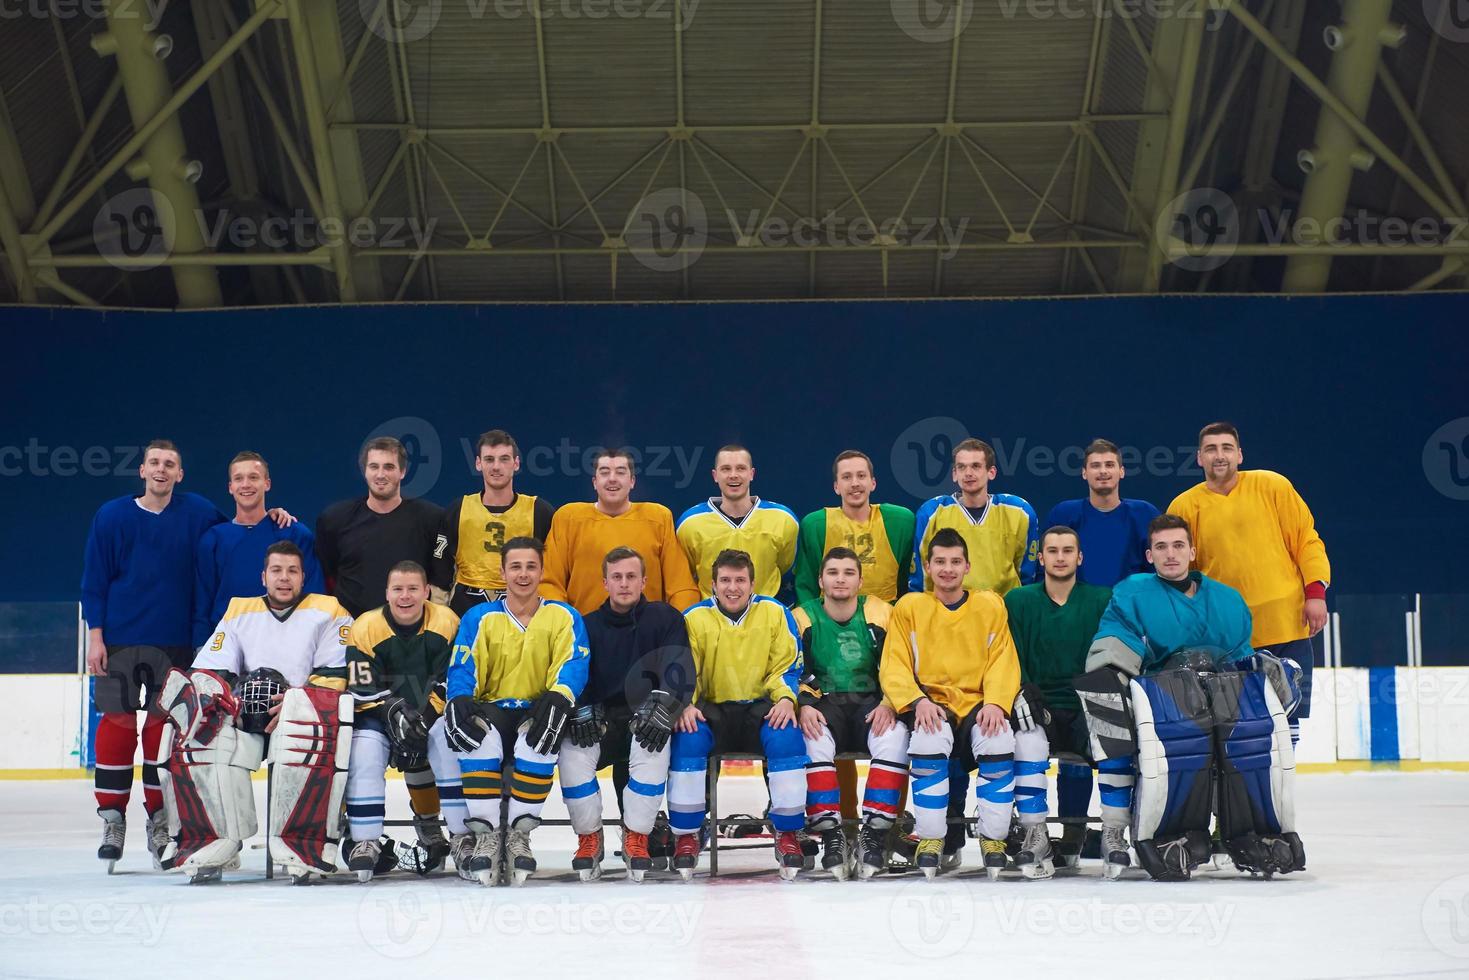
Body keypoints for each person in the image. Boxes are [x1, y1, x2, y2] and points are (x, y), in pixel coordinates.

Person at [1077, 514, 1304, 881]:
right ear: (1149, 555)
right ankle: (1129, 831)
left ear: (1192, 552)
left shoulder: (1226, 599)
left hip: (1223, 693)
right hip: (1161, 697)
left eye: (1178, 545)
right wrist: (1113, 687)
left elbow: (1240, 655)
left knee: (1249, 738)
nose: (1171, 554)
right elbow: (1113, 645)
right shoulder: (1132, 593)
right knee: (1136, 722)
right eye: (1162, 547)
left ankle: (1245, 832)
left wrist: (1266, 669)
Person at [83, 439, 234, 871]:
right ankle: (112, 819)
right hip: (121, 641)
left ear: (180, 474)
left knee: (160, 731)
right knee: (115, 727)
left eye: (170, 464)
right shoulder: (112, 516)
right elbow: (94, 579)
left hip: (176, 643)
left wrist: (277, 522)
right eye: (155, 463)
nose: (162, 470)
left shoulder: (199, 511)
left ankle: (160, 821)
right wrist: (96, 637)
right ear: (143, 470)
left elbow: (237, 531)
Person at [164, 541, 353, 883]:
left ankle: (302, 843)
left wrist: (296, 703)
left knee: (302, 736)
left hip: (300, 713)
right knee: (203, 735)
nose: (284, 578)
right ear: (263, 576)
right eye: (277, 571)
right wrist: (229, 700)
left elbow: (336, 674)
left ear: (303, 577)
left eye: (292, 571)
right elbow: (210, 671)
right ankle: (215, 838)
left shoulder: (329, 610)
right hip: (245, 716)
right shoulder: (240, 611)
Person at [428, 537, 589, 886]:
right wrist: (458, 698)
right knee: (473, 738)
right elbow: (462, 666)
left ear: (542, 571)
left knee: (541, 738)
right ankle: (484, 835)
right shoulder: (478, 617)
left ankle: (518, 837)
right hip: (493, 709)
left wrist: (560, 697)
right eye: (515, 566)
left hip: (538, 707)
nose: (523, 574)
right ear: (502, 572)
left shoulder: (563, 616)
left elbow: (574, 663)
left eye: (531, 566)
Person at [1168, 422, 1330, 744]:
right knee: (1238, 729)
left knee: (1288, 723)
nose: (1220, 456)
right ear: (1199, 458)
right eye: (1211, 449)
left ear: (1239, 454)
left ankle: (1277, 791)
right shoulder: (1183, 507)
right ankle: (1248, 793)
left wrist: (1316, 592)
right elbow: (1183, 574)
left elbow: (1306, 541)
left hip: (1287, 626)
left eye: (1227, 448)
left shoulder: (1273, 486)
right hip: (1228, 638)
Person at [879, 528, 1021, 880]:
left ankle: (993, 838)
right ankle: (930, 838)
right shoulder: (910, 607)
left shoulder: (989, 605)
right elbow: (894, 662)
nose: (947, 569)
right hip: (931, 702)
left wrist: (996, 703)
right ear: (927, 566)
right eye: (940, 562)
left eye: (955, 561)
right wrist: (915, 701)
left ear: (967, 566)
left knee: (998, 739)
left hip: (977, 702)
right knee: (927, 740)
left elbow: (1004, 659)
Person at [666, 549, 808, 880]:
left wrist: (786, 699)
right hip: (711, 710)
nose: (733, 588)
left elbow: (786, 666)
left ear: (753, 584)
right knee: (687, 740)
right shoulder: (694, 618)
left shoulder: (774, 613)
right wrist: (685, 702)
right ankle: (687, 835)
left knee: (786, 737)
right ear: (712, 585)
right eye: (725, 581)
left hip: (760, 708)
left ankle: (787, 833)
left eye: (740, 580)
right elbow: (688, 670)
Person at [556, 547, 694, 881]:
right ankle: (589, 837)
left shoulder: (666, 618)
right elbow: (576, 674)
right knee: (571, 753)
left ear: (644, 580)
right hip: (602, 722)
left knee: (652, 745)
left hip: (647, 722)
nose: (624, 583)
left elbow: (679, 671)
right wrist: (580, 708)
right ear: (604, 582)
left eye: (631, 576)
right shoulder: (585, 625)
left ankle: (637, 836)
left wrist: (665, 707)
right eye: (616, 577)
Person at [1002, 526, 1112, 875]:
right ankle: (1036, 832)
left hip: (1086, 700)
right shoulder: (1019, 600)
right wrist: (1018, 690)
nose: (1060, 557)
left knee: (1116, 740)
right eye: (1053, 550)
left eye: (1068, 550)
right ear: (1041, 557)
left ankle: (1106, 831)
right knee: (1025, 741)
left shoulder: (1101, 599)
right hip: (1040, 703)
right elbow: (1009, 655)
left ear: (1079, 557)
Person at [342, 561, 460, 881]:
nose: (404, 596)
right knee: (364, 752)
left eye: (412, 589)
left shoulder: (447, 621)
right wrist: (392, 710)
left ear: (426, 592)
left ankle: (457, 835)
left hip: (429, 712)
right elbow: (360, 686)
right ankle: (365, 839)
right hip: (378, 715)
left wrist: (424, 718)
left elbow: (453, 679)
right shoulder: (366, 627)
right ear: (387, 593)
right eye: (397, 589)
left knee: (446, 745)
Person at [792, 547, 903, 880]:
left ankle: (875, 833)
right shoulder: (801, 617)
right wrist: (805, 705)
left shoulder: (882, 612)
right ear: (821, 580)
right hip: (826, 703)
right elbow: (790, 667)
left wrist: (890, 701)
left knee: (895, 737)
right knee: (811, 740)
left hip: (872, 701)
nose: (840, 579)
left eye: (848, 573)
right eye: (833, 573)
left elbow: (898, 664)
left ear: (860, 580)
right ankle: (831, 835)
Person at [541, 448, 700, 614]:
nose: (612, 479)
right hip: (585, 633)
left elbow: (681, 588)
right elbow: (549, 583)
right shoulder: (568, 518)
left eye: (620, 472)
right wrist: (567, 626)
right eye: (604, 472)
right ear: (594, 482)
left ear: (632, 481)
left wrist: (673, 627)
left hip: (648, 634)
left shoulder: (658, 518)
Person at [193, 451, 323, 649]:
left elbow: (315, 597)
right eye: (238, 479)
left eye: (253, 477)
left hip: (288, 644)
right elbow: (203, 601)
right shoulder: (213, 539)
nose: (246, 484)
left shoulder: (295, 533)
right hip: (227, 646)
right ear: (230, 487)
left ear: (267, 483)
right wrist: (201, 647)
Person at [316, 436, 444, 618]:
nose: (380, 474)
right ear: (365, 471)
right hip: (350, 632)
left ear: (403, 472)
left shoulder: (431, 519)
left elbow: (439, 578)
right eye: (374, 466)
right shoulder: (334, 520)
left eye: (389, 467)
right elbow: (326, 576)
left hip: (410, 634)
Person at [434, 429, 553, 617]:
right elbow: (440, 575)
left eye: (504, 459)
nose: (496, 467)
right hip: (464, 615)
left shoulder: (539, 511)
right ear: (478, 464)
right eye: (489, 459)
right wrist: (440, 619)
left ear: (516, 463)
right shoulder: (457, 510)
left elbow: (552, 573)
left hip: (525, 615)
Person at [910, 438, 1038, 596]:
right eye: (961, 467)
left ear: (991, 472)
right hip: (946, 611)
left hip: (1004, 611)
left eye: (976, 466)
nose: (968, 473)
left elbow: (1027, 575)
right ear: (954, 474)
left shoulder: (1019, 512)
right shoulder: (931, 513)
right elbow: (920, 576)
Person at [677, 445, 798, 600]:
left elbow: (784, 565)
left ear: (751, 473)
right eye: (726, 469)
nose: (733, 475)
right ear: (715, 476)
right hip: (711, 618)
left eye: (740, 468)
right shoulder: (690, 523)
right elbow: (687, 575)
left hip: (766, 616)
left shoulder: (783, 519)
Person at [794, 450, 915, 604]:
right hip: (830, 618)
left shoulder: (900, 522)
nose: (855, 483)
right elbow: (806, 586)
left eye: (861, 475)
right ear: (836, 486)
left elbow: (907, 580)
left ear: (873, 483)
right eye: (846, 477)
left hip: (887, 618)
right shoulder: (816, 525)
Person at [1043, 438, 1159, 588]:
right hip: (1077, 607)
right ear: (1084, 473)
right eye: (1095, 466)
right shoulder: (1063, 514)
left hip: (1130, 606)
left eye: (1109, 465)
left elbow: (1159, 569)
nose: (1103, 471)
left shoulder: (1145, 514)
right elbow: (1044, 570)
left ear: (1121, 471)